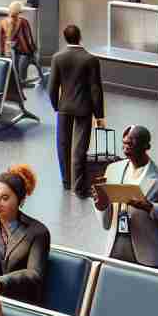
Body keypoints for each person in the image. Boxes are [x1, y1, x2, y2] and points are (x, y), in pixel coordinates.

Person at [93, 125, 158, 271]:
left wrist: (151, 207)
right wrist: (101, 205)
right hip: (115, 249)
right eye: (124, 143)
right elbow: (106, 223)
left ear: (146, 146)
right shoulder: (113, 170)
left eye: (131, 143)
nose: (126, 146)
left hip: (149, 255)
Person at [0, 165, 51, 305]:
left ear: (21, 201)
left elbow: (34, 274)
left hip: (20, 305)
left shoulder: (38, 232)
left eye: (4, 198)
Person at [45, 24, 107, 195]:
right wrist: (99, 115)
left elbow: (52, 87)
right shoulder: (90, 59)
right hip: (83, 108)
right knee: (79, 148)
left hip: (64, 107)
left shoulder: (58, 58)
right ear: (80, 37)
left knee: (63, 144)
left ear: (65, 38)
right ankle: (78, 187)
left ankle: (66, 182)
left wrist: (57, 105)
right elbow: (95, 89)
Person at [0, 0, 38, 86]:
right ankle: (21, 83)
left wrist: (2, 52)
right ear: (19, 10)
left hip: (8, 48)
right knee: (21, 67)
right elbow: (28, 38)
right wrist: (32, 50)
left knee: (12, 68)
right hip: (22, 49)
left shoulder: (3, 21)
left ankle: (12, 84)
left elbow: (1, 39)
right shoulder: (23, 22)